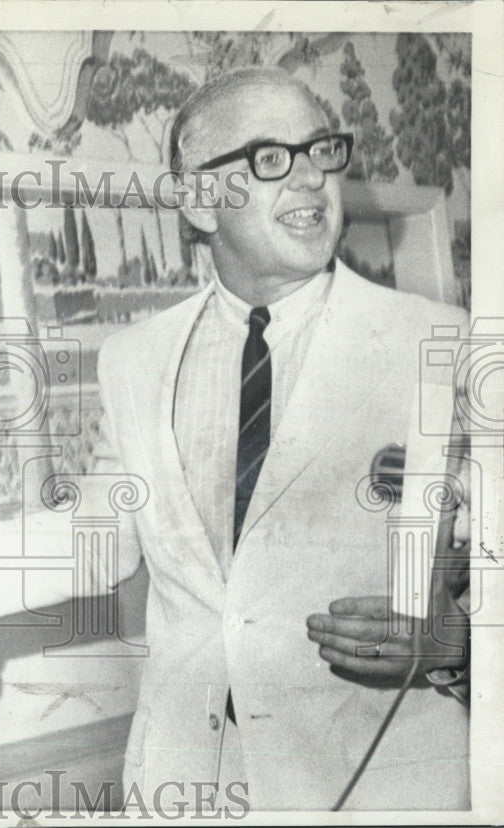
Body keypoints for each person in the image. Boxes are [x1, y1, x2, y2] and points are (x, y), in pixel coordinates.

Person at [93, 67, 470, 810]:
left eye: (321, 150)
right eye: (271, 159)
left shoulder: (445, 346)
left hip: (384, 790)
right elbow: (96, 539)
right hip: (189, 784)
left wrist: (458, 645)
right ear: (199, 201)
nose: (311, 179)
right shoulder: (131, 359)